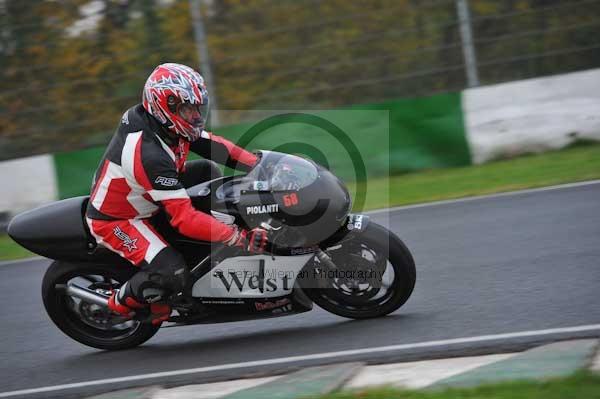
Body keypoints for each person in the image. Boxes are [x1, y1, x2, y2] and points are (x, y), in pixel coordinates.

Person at [85, 63, 268, 325]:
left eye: (197, 107)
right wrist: (236, 237)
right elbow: (184, 219)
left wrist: (258, 165)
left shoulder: (166, 124)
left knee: (207, 169)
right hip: (120, 219)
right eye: (187, 108)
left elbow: (214, 145)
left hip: (146, 197)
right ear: (165, 106)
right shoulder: (149, 153)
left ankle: (216, 244)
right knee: (173, 272)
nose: (195, 115)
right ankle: (117, 303)